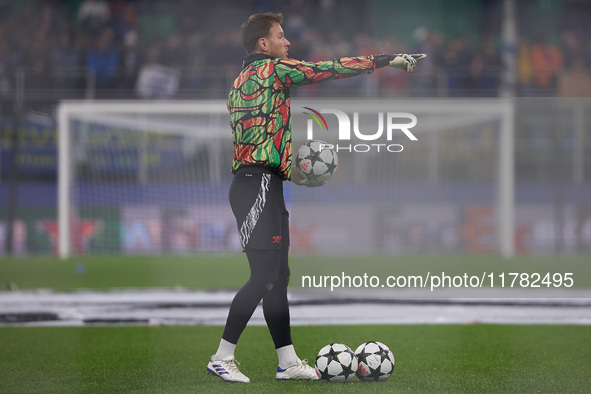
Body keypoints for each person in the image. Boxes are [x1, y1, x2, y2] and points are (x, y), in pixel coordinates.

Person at [207, 12, 425, 383]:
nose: (287, 42)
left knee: (278, 276)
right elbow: (326, 69)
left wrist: (294, 174)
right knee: (263, 277)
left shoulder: (239, 82)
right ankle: (222, 356)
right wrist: (384, 60)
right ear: (264, 44)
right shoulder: (272, 71)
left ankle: (288, 362)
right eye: (280, 36)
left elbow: (257, 144)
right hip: (256, 184)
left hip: (261, 181)